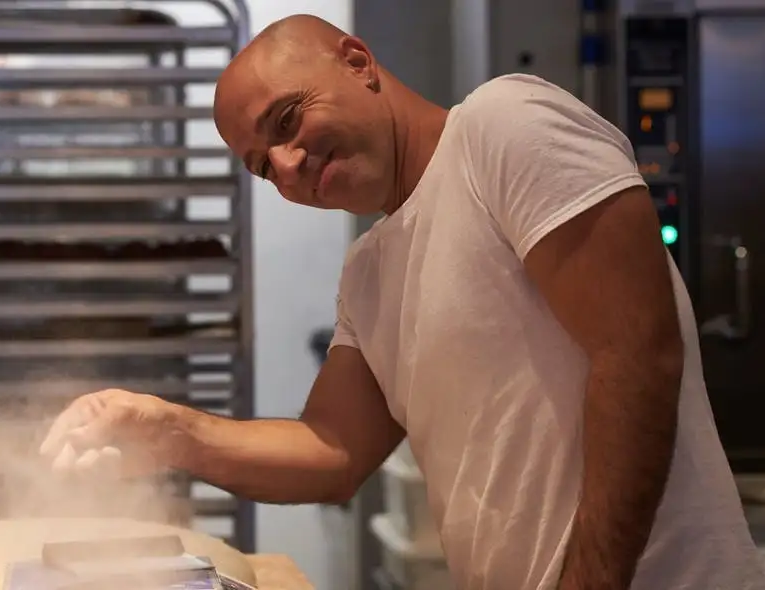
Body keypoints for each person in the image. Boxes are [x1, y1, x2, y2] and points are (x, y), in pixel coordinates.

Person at [40, 14, 765, 590]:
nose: (288, 166)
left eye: (287, 121)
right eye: (263, 167)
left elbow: (637, 353)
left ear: (357, 62)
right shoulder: (371, 272)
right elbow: (334, 451)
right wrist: (169, 429)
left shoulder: (503, 126)